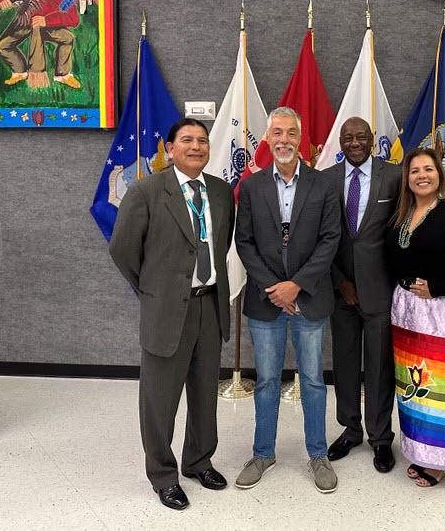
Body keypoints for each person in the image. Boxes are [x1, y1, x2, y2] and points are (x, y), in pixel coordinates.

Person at [109, 118, 235, 510]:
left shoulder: (220, 191)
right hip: (166, 310)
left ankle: (198, 461)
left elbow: (221, 242)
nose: (196, 146)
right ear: (170, 146)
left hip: (209, 305)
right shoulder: (147, 190)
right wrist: (155, 289)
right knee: (160, 399)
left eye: (202, 140)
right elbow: (124, 249)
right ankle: (163, 475)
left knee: (203, 393)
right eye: (187, 140)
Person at [235, 107, 341, 493]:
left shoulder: (324, 184)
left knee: (313, 380)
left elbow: (331, 239)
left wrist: (296, 285)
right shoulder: (250, 186)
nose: (284, 139)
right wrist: (274, 290)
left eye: (291, 132)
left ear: (301, 138)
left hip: (309, 299)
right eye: (277, 132)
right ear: (267, 138)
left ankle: (318, 454)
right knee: (265, 381)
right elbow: (243, 242)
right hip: (266, 302)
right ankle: (263, 452)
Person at [384, 148, 445, 487]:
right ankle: (419, 451)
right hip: (407, 312)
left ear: (439, 175)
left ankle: (440, 459)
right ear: (407, 178)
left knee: (440, 387)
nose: (421, 175)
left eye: (428, 169)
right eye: (414, 171)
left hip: (442, 311)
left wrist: (437, 287)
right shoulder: (402, 214)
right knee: (414, 385)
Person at [323, 117, 401, 473]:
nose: (354, 142)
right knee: (345, 363)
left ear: (373, 140)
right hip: (341, 291)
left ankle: (381, 438)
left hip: (381, 290)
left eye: (361, 137)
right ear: (339, 141)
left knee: (380, 366)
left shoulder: (396, 177)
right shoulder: (326, 180)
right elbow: (321, 237)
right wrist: (340, 281)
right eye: (347, 137)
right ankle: (351, 429)